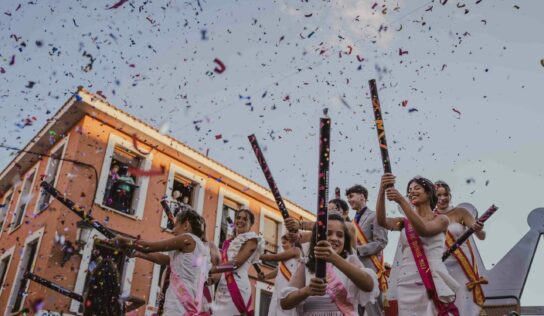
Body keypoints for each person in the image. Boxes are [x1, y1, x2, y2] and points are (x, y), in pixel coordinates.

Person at [377, 174, 459, 316]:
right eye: (409, 190)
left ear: (428, 193)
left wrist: (401, 201)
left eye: (417, 188)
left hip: (432, 276)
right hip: (406, 279)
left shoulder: (442, 219)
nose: (411, 192)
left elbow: (424, 230)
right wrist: (382, 189)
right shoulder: (403, 222)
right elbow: (381, 221)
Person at [114, 206, 211, 315]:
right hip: (188, 302)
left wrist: (124, 240)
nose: (173, 231)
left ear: (186, 225)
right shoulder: (201, 248)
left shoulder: (187, 238)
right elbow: (165, 259)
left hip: (178, 303)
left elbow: (149, 247)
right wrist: (138, 253)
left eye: (175, 225)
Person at [280, 213, 379, 315]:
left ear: (345, 241)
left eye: (340, 235)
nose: (334, 238)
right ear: (317, 237)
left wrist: (334, 258)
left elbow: (369, 285)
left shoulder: (350, 260)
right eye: (328, 234)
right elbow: (285, 303)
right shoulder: (307, 263)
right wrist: (306, 291)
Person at [435, 181, 487, 315]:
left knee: (464, 303)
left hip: (463, 266)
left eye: (445, 194)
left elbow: (481, 236)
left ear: (450, 195)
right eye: (438, 195)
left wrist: (479, 229)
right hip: (441, 267)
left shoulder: (460, 212)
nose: (442, 198)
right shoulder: (429, 217)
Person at [210, 208, 265, 316]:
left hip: (238, 287)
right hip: (222, 287)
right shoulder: (229, 243)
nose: (240, 220)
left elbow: (235, 263)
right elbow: (222, 267)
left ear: (251, 224)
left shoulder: (252, 240)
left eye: (245, 219)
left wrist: (210, 269)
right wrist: (212, 278)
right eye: (238, 217)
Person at [346, 184, 388, 315]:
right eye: (348, 197)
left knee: (373, 312)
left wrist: (358, 250)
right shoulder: (352, 222)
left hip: (371, 270)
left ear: (362, 196)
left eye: (351, 196)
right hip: (355, 271)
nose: (349, 200)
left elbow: (381, 242)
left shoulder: (375, 216)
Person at [258, 235, 303, 316]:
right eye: (282, 243)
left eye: (285, 243)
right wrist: (265, 276)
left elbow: (275, 257)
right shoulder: (284, 258)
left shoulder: (296, 250)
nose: (282, 245)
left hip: (288, 293)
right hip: (277, 292)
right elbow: (278, 271)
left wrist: (257, 255)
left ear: (292, 242)